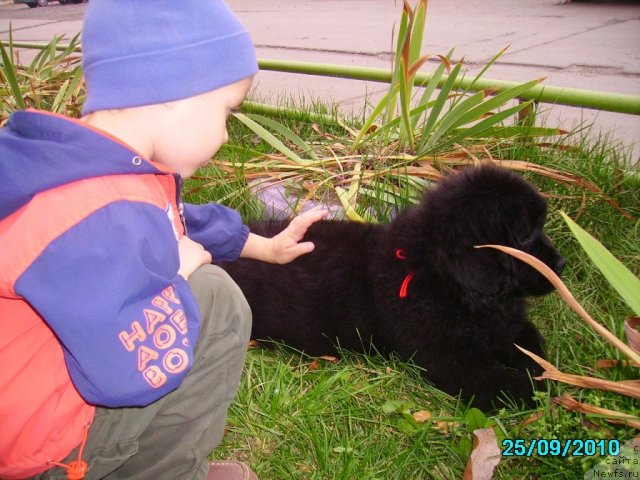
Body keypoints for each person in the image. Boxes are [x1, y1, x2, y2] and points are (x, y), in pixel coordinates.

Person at [0, 1, 327, 479]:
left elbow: (173, 219)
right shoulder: (96, 220)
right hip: (39, 448)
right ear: (172, 93)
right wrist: (173, 278)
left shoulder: (77, 167)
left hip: (24, 396)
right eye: (226, 113)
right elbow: (124, 371)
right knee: (216, 302)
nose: (225, 134)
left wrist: (263, 247)